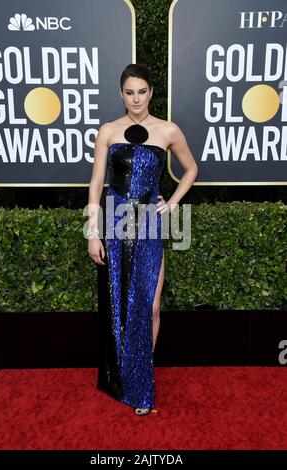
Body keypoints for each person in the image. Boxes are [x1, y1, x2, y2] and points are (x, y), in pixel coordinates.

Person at [87, 63, 198, 416]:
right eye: (129, 92)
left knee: (150, 306)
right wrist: (92, 231)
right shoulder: (108, 131)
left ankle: (139, 378)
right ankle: (123, 376)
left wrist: (173, 202)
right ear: (121, 94)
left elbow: (191, 169)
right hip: (116, 222)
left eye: (142, 91)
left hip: (149, 222)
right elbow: (96, 182)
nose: (136, 99)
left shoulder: (168, 130)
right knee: (120, 303)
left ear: (151, 92)